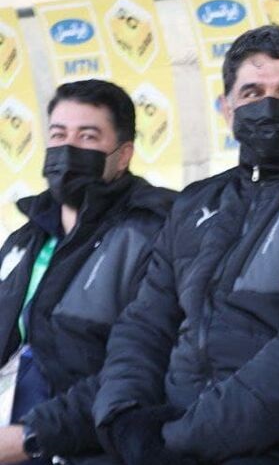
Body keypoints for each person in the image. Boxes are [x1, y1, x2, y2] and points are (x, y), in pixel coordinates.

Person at [91, 26, 279, 464]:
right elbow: (145, 322)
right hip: (173, 435)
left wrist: (179, 439)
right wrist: (122, 417)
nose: (270, 105)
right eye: (252, 92)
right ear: (226, 109)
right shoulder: (196, 202)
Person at [0, 80, 174, 464]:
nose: (68, 149)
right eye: (59, 135)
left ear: (123, 155)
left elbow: (144, 368)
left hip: (88, 446)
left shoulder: (157, 231)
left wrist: (31, 437)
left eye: (88, 136)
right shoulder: (24, 239)